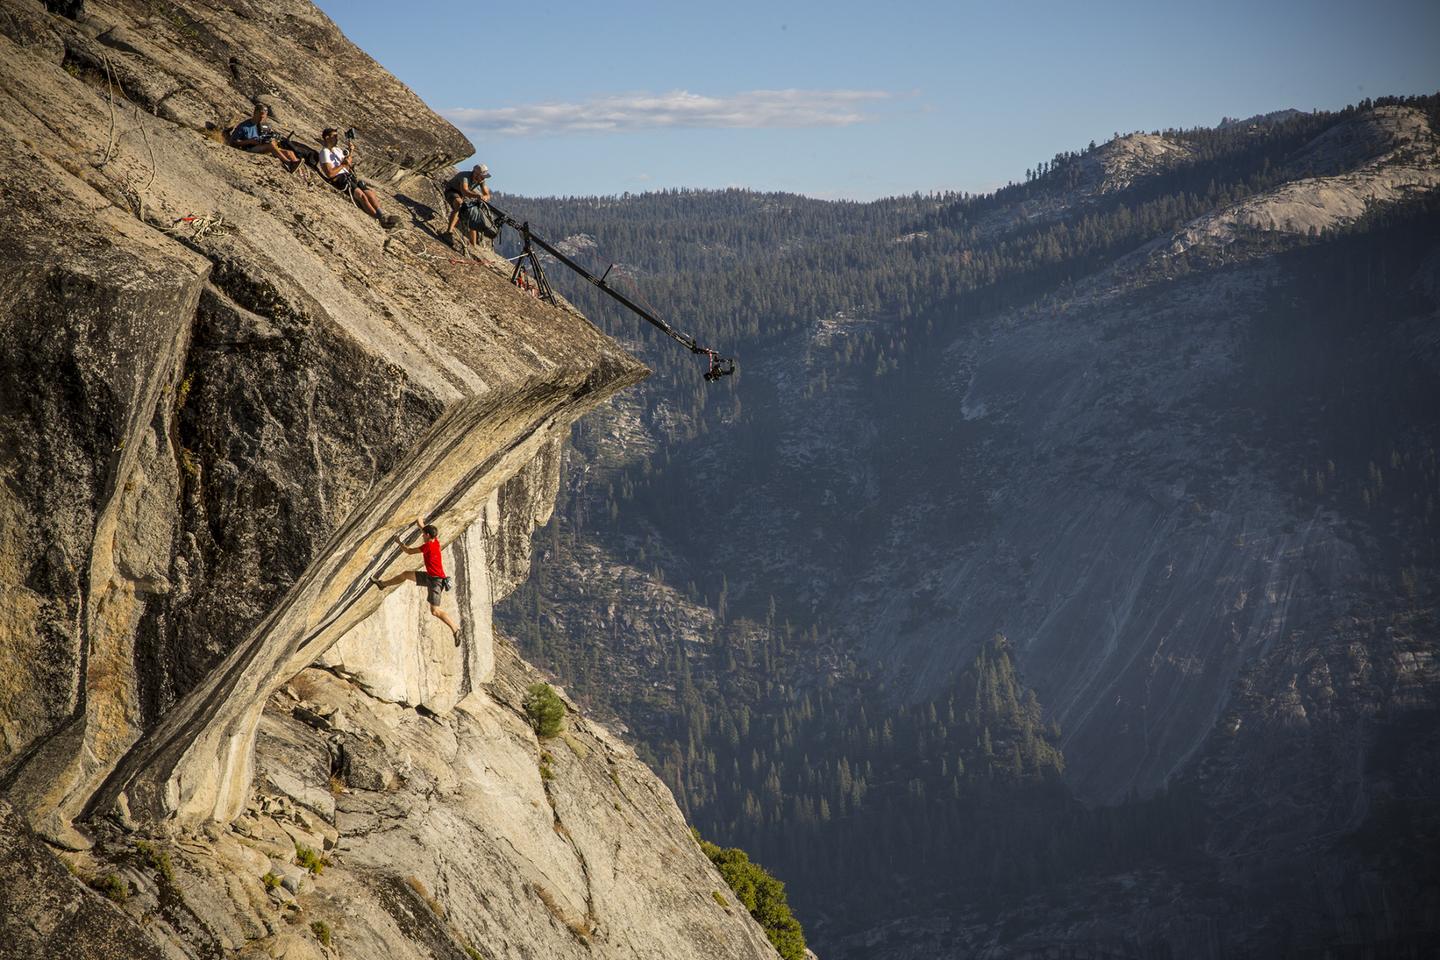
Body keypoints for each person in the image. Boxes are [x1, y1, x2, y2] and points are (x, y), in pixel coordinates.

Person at [371, 518, 461, 644]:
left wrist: (399, 542)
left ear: (428, 536)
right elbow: (423, 528)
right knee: (405, 575)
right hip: (430, 576)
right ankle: (382, 584)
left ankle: (455, 629)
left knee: (435, 611)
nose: (422, 536)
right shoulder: (435, 541)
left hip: (436, 582)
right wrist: (420, 522)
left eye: (424, 534)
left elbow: (409, 551)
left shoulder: (428, 546)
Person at [317, 127, 400, 228]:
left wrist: (350, 153)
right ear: (327, 137)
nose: (337, 138)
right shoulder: (324, 152)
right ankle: (380, 219)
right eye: (334, 136)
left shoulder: (337, 150)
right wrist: (343, 165)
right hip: (339, 178)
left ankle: (381, 214)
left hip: (348, 175)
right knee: (361, 196)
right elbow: (330, 173)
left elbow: (347, 167)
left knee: (370, 193)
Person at [229, 103, 301, 172]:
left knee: (290, 153)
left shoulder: (263, 126)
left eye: (263, 116)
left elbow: (269, 136)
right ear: (255, 113)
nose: (261, 118)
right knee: (270, 145)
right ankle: (288, 163)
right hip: (250, 148)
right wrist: (250, 141)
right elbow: (233, 141)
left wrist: (274, 138)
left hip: (263, 146)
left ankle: (299, 172)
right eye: (260, 116)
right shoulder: (244, 126)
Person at [443, 163, 492, 250]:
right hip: (452, 191)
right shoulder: (464, 176)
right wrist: (477, 196)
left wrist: (485, 197)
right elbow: (464, 191)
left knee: (472, 214)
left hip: (463, 195)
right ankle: (449, 232)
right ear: (476, 174)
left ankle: (473, 244)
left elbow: (487, 194)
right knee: (459, 204)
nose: (483, 178)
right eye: (482, 176)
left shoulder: (481, 180)